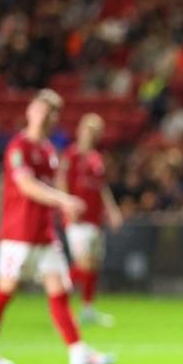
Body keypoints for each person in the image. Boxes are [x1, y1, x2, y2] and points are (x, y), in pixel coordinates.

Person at [0, 89, 114, 364]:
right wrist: (64, 200)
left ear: (53, 119)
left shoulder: (49, 152)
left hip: (45, 234)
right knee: (7, 289)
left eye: (48, 112)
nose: (41, 114)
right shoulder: (18, 148)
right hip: (19, 234)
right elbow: (27, 186)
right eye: (38, 108)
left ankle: (77, 352)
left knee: (59, 290)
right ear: (29, 111)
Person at [58, 113, 123, 326]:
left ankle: (87, 309)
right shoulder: (71, 155)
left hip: (94, 218)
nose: (92, 133)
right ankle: (58, 296)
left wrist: (112, 210)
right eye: (90, 129)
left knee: (92, 265)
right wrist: (67, 206)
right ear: (81, 130)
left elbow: (101, 187)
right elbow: (61, 181)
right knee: (83, 263)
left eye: (96, 130)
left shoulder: (96, 158)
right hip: (78, 218)